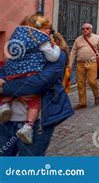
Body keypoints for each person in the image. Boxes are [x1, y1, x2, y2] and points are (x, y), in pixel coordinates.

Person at [0, 30, 73, 156]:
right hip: (5, 122)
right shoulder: (20, 54)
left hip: (36, 124)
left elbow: (37, 84)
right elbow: (4, 71)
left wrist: (3, 88)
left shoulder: (57, 57)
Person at [0, 14, 61, 144]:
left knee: (28, 160)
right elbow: (33, 86)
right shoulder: (42, 44)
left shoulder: (17, 43)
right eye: (46, 28)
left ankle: (5, 105)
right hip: (6, 124)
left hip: (37, 121)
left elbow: (38, 84)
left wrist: (7, 89)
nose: (49, 31)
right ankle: (27, 125)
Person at [69, 23, 99, 110]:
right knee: (80, 83)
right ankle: (82, 102)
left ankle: (96, 95)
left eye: (87, 28)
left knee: (92, 81)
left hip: (92, 62)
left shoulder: (97, 38)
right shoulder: (78, 40)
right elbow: (73, 52)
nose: (85, 30)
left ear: (91, 29)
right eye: (83, 29)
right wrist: (70, 64)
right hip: (80, 63)